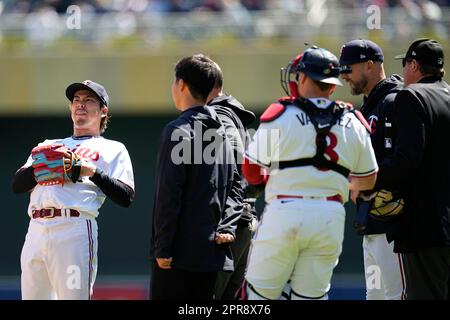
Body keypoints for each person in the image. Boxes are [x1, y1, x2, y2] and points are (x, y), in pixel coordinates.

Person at [241, 46, 379, 300]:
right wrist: (335, 181)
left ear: (303, 77)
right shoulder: (353, 120)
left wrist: (265, 181)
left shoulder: (281, 114)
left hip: (284, 210)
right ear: (333, 85)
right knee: (310, 298)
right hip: (330, 216)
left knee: (258, 297)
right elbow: (369, 178)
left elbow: (250, 169)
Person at [11, 80, 135, 300]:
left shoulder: (112, 148)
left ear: (103, 110)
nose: (80, 104)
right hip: (36, 230)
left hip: (74, 229)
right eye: (76, 100)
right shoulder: (49, 144)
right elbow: (17, 185)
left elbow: (126, 196)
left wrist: (92, 171)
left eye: (88, 100)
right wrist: (43, 167)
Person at [149, 54, 242, 300]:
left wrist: (163, 247)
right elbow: (235, 186)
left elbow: (169, 194)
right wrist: (228, 227)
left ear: (181, 84)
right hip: (212, 254)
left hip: (178, 257)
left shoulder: (178, 130)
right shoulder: (222, 132)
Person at [372, 38, 450, 299]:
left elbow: (406, 160)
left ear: (414, 65)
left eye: (406, 64)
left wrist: (372, 180)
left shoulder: (410, 95)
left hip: (423, 226)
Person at [339, 39, 406, 300]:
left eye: (349, 68)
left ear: (369, 65)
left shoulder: (397, 100)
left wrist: (369, 181)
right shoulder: (366, 107)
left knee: (395, 295)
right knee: (376, 296)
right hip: (370, 221)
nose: (344, 75)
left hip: (393, 223)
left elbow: (406, 161)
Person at [205, 62, 259, 300]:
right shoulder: (230, 113)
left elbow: (238, 163)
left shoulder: (219, 114)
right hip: (241, 219)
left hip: (229, 225)